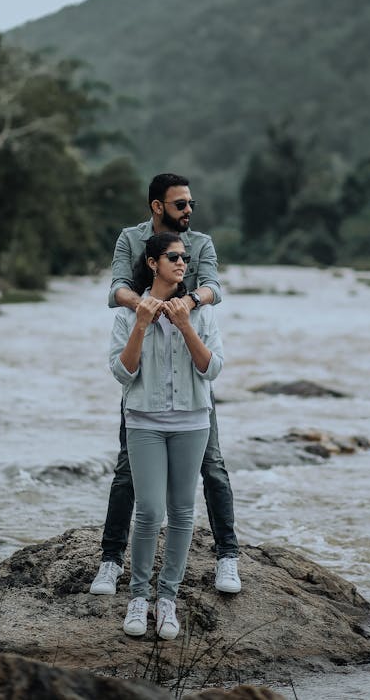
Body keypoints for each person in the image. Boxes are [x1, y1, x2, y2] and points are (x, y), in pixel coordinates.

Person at [91, 173, 241, 596]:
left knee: (213, 466)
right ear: (157, 207)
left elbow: (212, 287)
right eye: (180, 204)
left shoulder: (201, 243)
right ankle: (110, 559)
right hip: (147, 361)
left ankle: (227, 556)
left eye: (190, 203)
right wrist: (144, 307)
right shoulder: (130, 239)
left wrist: (187, 305)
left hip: (189, 362)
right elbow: (117, 287)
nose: (189, 210)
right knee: (126, 470)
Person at [109, 232, 224, 639]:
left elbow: (212, 370)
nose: (181, 263)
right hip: (144, 420)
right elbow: (122, 373)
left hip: (193, 420)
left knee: (181, 513)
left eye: (185, 257)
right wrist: (141, 323)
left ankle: (167, 599)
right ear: (153, 262)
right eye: (173, 257)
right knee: (149, 511)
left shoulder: (201, 312)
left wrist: (185, 325)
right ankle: (138, 597)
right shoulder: (126, 313)